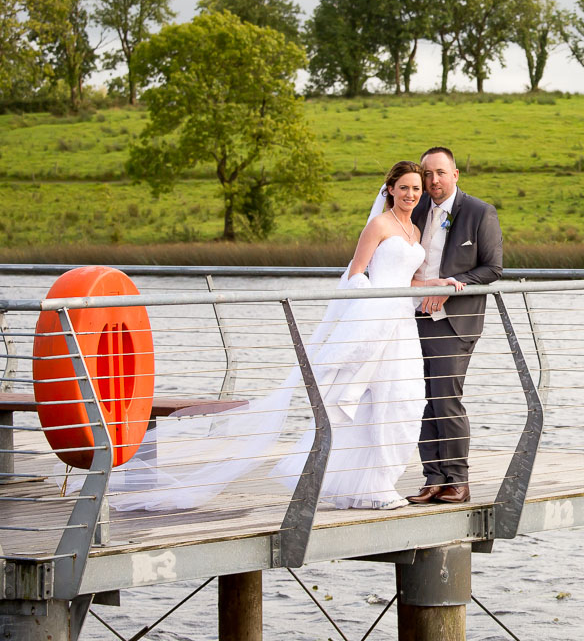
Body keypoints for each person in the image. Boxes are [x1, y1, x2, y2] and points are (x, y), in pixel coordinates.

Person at [97, 161, 463, 512]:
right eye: (405, 188)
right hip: (372, 323)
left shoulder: (413, 232)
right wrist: (369, 315)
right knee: (355, 405)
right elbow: (356, 274)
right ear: (390, 189)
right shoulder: (379, 226)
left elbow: (409, 281)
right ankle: (368, 487)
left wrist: (439, 282)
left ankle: (369, 484)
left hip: (400, 328)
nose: (412, 194)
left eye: (416, 189)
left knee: (406, 402)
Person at [406, 146, 503, 505]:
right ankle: (433, 478)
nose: (433, 181)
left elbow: (492, 269)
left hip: (454, 321)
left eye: (440, 173)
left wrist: (450, 286)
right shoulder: (414, 210)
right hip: (412, 317)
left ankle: (458, 479)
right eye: (427, 174)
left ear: (455, 174)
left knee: (446, 397)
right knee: (421, 400)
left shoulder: (479, 212)